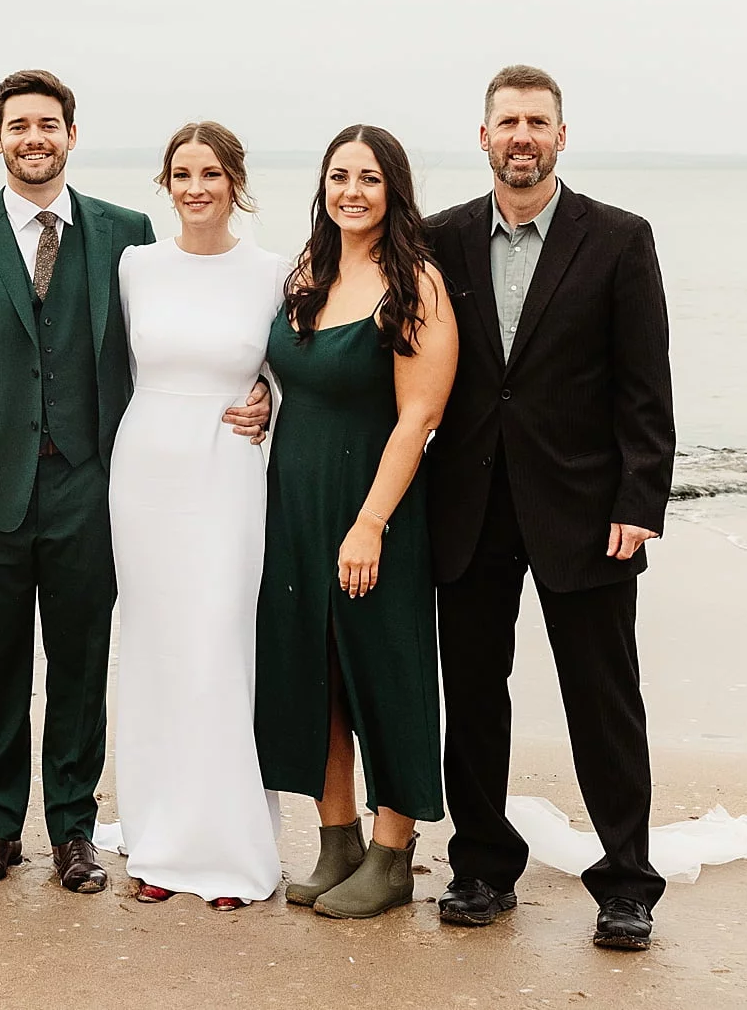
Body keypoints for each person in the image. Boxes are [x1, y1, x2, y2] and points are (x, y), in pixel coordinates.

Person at [0, 70, 270, 893]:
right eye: (19, 125)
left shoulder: (128, 234)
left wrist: (263, 393)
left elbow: (191, 334)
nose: (35, 137)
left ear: (72, 135)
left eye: (50, 123)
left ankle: (73, 828)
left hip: (98, 487)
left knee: (80, 663)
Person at [424, 64, 674, 951]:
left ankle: (627, 883)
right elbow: (384, 358)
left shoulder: (617, 239)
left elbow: (646, 387)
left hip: (587, 513)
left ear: (560, 137)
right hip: (468, 509)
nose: (521, 136)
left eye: (537, 122)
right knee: (476, 699)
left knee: (603, 700)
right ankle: (483, 867)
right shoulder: (437, 239)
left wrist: (641, 498)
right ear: (483, 137)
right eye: (507, 122)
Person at [256, 124, 457, 920]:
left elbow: (420, 415)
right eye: (339, 175)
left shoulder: (418, 283)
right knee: (314, 670)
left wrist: (371, 522)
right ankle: (335, 839)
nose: (351, 191)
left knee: (386, 671)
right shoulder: (309, 269)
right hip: (294, 497)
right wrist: (259, 398)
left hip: (378, 504)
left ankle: (392, 852)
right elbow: (285, 371)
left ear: (393, 189)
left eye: (368, 178)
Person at [105, 123, 288, 910]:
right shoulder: (135, 265)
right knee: (154, 651)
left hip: (226, 474)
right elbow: (98, 357)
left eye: (211, 172)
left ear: (235, 181)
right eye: (181, 173)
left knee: (218, 647)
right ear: (166, 183)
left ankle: (227, 849)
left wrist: (269, 401)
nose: (195, 187)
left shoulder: (275, 271)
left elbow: (296, 374)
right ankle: (157, 835)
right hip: (145, 471)